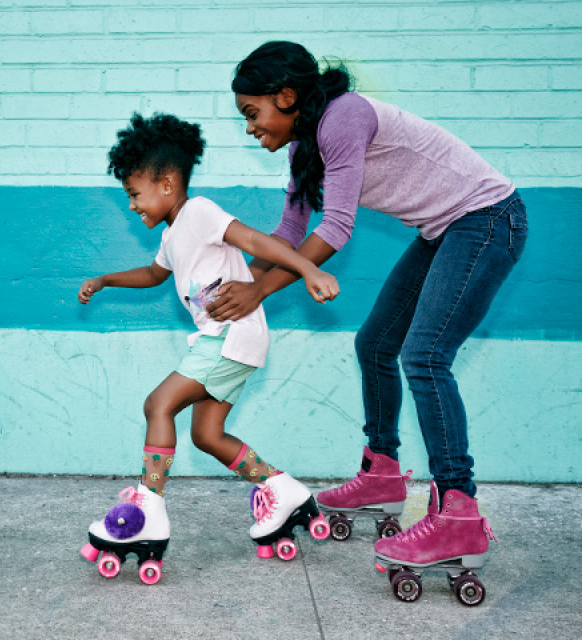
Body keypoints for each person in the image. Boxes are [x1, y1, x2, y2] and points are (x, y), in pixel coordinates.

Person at [207, 41, 528, 572]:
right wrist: (240, 283)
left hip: (487, 219)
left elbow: (334, 229)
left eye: (251, 113)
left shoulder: (344, 117)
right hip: (446, 230)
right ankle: (381, 473)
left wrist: (258, 291)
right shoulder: (303, 148)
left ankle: (459, 515)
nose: (249, 127)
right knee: (376, 342)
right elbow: (289, 231)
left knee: (424, 357)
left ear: (286, 95)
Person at [78, 112, 339, 574]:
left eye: (135, 194)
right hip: (226, 340)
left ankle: (148, 512)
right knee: (206, 435)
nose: (133, 206)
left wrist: (309, 269)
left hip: (230, 337)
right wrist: (106, 280)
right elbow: (154, 274)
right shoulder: (174, 233)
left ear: (167, 182)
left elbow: (256, 240)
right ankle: (284, 491)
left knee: (158, 404)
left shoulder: (198, 212)